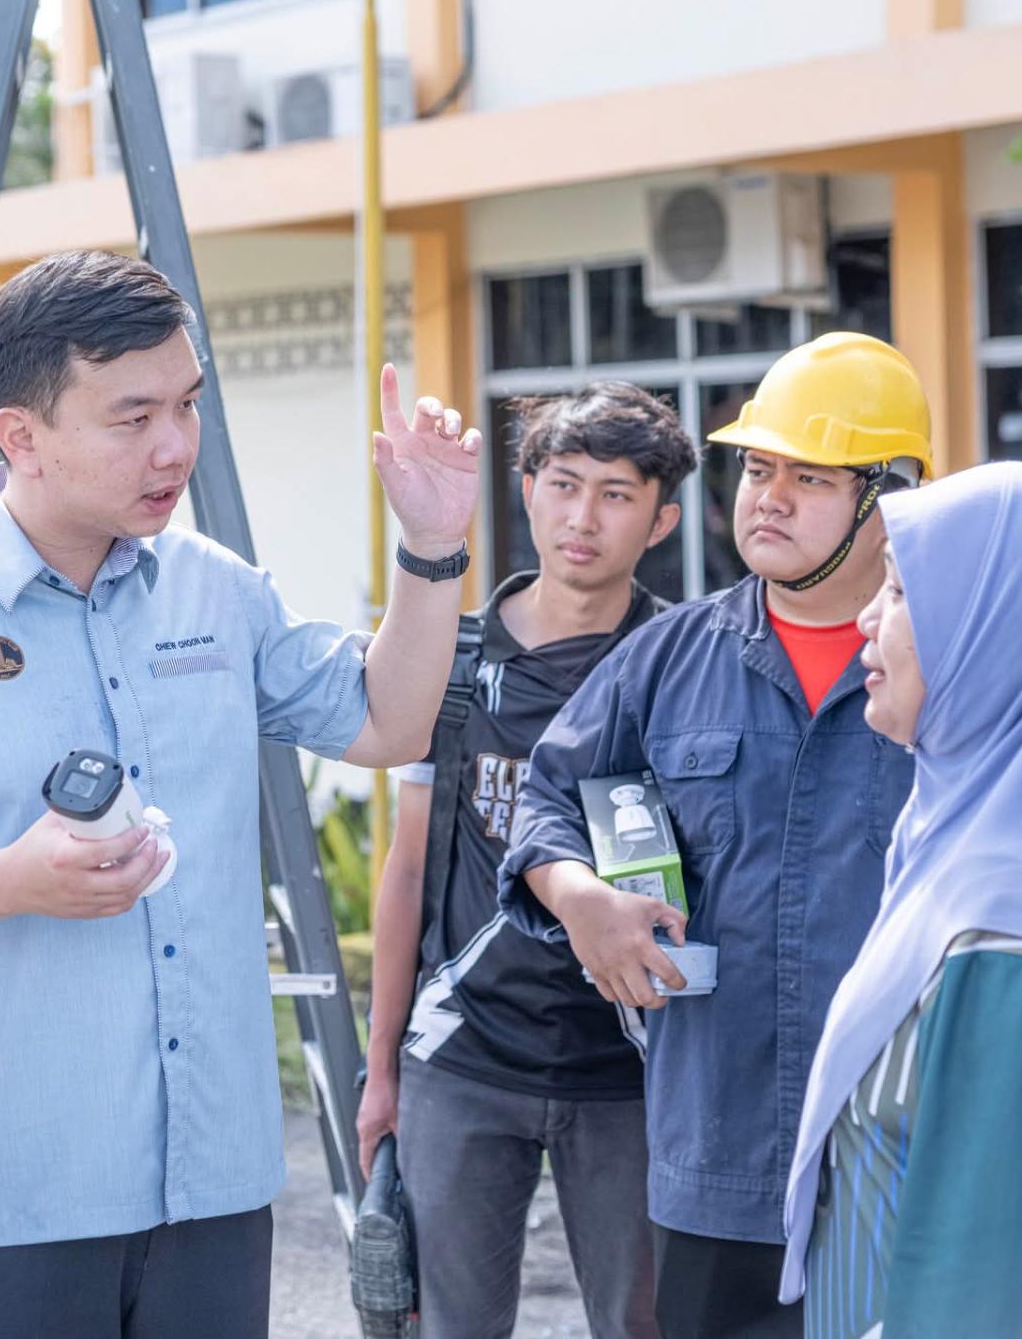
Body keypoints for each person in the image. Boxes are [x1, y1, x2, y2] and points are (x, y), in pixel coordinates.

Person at [0, 250, 481, 1338]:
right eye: (131, 416)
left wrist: (433, 548)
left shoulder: (216, 592)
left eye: (186, 404)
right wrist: (11, 881)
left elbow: (389, 721)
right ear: (21, 435)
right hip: (0, 1204)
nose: (174, 446)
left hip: (210, 1187)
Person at [498, 333, 932, 1338]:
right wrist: (581, 899)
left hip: (897, 1148)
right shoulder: (668, 658)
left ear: (889, 498)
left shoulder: (957, 668)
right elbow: (549, 797)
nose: (767, 498)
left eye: (809, 477)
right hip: (715, 1162)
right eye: (757, 467)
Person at [356, 383, 697, 1339]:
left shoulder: (683, 665)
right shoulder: (452, 660)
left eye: (618, 495)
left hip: (630, 1071)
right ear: (526, 490)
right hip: (463, 1059)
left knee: (645, 1324)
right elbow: (409, 871)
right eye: (563, 484)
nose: (582, 518)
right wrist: (380, 1068)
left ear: (662, 518)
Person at [778, 461, 1022, 1336]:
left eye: (896, 590)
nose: (864, 616)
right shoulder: (954, 833)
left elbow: (990, 1266)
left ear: (991, 632)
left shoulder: (1011, 919)